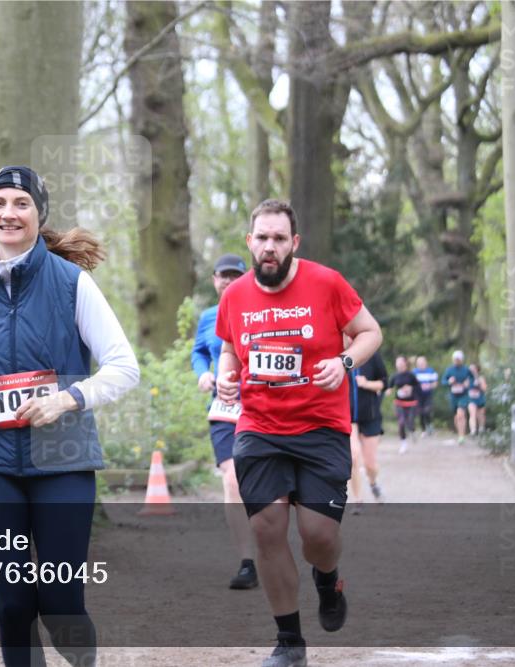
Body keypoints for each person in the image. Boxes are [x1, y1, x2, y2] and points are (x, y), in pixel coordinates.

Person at [0, 166, 139, 667]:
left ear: (38, 213)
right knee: (12, 603)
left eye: (21, 203)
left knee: (60, 601)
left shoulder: (72, 283)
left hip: (62, 461)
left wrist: (66, 399)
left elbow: (124, 367)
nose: (9, 213)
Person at [215, 199, 382, 667]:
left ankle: (328, 582)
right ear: (250, 242)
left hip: (321, 427)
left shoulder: (326, 283)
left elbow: (370, 332)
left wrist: (344, 361)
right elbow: (229, 348)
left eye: (279, 239)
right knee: (267, 529)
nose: (270, 247)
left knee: (318, 536)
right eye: (262, 238)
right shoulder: (235, 295)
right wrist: (227, 373)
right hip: (259, 429)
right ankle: (289, 642)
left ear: (294, 243)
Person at [192, 253, 258, 589]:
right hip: (225, 408)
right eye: (224, 276)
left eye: (236, 275)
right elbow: (199, 352)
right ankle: (247, 562)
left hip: (263, 407)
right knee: (232, 480)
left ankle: (270, 541)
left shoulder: (260, 309)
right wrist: (203, 373)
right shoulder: (207, 317)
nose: (229, 281)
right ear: (215, 280)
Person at [347, 347, 388, 511]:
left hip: (370, 416)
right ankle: (358, 500)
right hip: (348, 417)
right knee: (354, 457)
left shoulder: (371, 354)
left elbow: (385, 382)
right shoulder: (338, 355)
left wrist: (367, 384)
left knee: (370, 464)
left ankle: (373, 483)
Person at [388, 356, 421, 454]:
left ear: (405, 363)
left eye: (400, 362)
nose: (398, 364)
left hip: (411, 403)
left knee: (410, 422)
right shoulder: (394, 376)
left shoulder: (411, 375)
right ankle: (403, 444)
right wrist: (388, 390)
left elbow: (418, 387)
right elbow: (390, 386)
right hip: (399, 403)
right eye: (397, 362)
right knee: (401, 423)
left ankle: (413, 431)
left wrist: (410, 388)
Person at [442, 350, 475, 443]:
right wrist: (449, 382)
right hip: (453, 396)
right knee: (457, 416)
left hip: (463, 395)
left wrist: (468, 383)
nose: (456, 361)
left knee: (461, 413)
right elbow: (443, 381)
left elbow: (472, 379)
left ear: (462, 360)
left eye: (458, 359)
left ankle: (461, 436)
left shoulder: (466, 369)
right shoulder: (449, 370)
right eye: (455, 359)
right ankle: (460, 433)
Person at [413, 356, 439, 436]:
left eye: (422, 363)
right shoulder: (414, 372)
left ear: (425, 363)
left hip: (428, 395)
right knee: (420, 412)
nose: (420, 364)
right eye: (419, 363)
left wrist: (429, 386)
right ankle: (423, 430)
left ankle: (430, 425)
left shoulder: (431, 371)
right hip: (418, 395)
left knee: (427, 411)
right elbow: (411, 383)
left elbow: (435, 383)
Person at [467, 363, 489, 435]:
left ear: (477, 369)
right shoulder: (467, 378)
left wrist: (479, 382)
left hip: (480, 399)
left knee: (481, 415)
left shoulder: (481, 378)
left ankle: (481, 429)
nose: (471, 370)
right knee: (472, 414)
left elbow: (485, 389)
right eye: (470, 368)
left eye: (473, 368)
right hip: (471, 399)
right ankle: (473, 431)